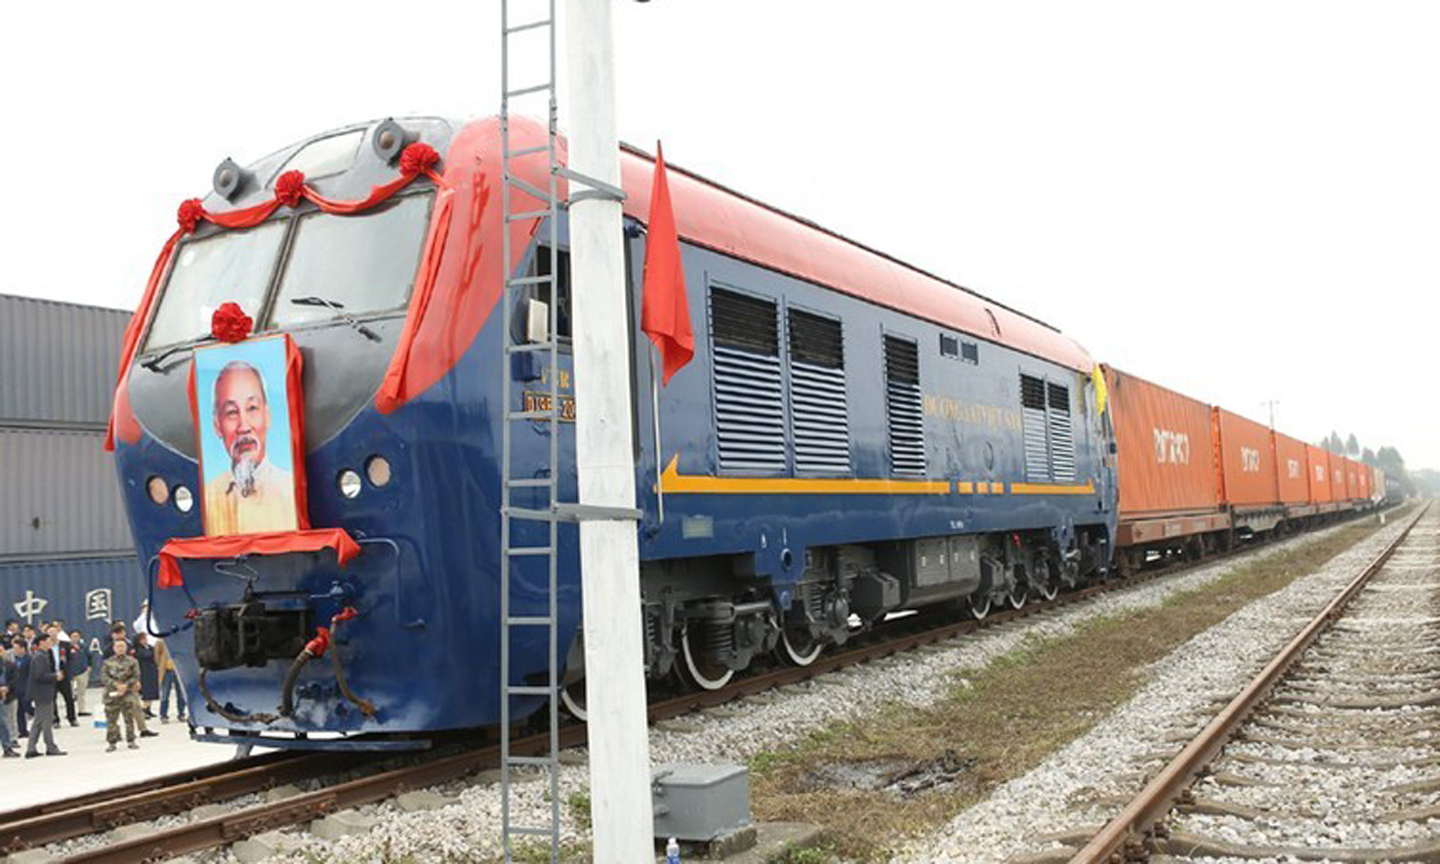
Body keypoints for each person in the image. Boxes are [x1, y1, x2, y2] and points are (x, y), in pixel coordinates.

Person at [202, 360, 297, 535]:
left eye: (252, 408)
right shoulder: (208, 496)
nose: (244, 426)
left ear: (267, 416)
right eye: (231, 412)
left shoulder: (291, 490)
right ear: (217, 425)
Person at [24, 633, 65, 758]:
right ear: (41, 642)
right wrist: (55, 676)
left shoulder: (42, 655)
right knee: (46, 721)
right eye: (48, 641)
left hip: (42, 693)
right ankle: (50, 747)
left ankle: (31, 748)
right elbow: (39, 675)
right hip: (42, 693)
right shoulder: (40, 657)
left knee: (38, 721)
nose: (50, 643)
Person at [102, 639, 140, 751]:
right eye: (118, 646)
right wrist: (115, 685)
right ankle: (112, 742)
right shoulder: (107, 662)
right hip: (112, 694)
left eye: (122, 646)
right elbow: (104, 677)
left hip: (127, 693)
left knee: (129, 718)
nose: (120, 648)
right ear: (114, 648)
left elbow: (136, 676)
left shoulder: (132, 661)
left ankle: (131, 740)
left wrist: (126, 686)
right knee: (111, 720)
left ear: (126, 648)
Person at [46, 624, 77, 727]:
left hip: (64, 674)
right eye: (50, 632)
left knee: (69, 697)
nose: (52, 634)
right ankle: (55, 720)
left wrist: (66, 672)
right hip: (52, 675)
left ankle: (72, 718)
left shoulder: (65, 645)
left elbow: (71, 660)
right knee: (52, 699)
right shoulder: (46, 647)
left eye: (54, 632)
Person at [154, 638, 186, 723]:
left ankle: (181, 714)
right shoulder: (160, 642)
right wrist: (161, 666)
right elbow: (157, 657)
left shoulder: (180, 642)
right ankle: (163, 715)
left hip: (179, 670)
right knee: (165, 694)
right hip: (167, 671)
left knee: (181, 694)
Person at [68, 630, 92, 717]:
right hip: (70, 673)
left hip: (82, 671)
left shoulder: (84, 646)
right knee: (70, 694)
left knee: (81, 693)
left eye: (77, 636)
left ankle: (81, 710)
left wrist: (89, 666)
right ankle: (70, 712)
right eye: (73, 636)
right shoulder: (67, 647)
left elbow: (90, 656)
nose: (75, 638)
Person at [134, 633, 159, 718]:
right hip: (144, 672)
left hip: (152, 671)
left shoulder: (149, 647)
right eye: (143, 639)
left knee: (152, 691)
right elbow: (146, 655)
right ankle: (143, 709)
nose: (145, 640)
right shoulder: (138, 649)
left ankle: (148, 709)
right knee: (147, 692)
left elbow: (155, 654)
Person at [10, 637, 30, 739]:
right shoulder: (15, 659)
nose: (15, 650)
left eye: (17, 648)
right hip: (17, 689)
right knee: (19, 711)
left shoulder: (29, 659)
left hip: (26, 688)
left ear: (23, 648)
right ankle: (22, 730)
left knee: (28, 708)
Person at [0, 643, 17, 757]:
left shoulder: (6, 664)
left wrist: (6, 688)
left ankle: (7, 747)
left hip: (3, 696)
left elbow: (14, 678)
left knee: (3, 722)